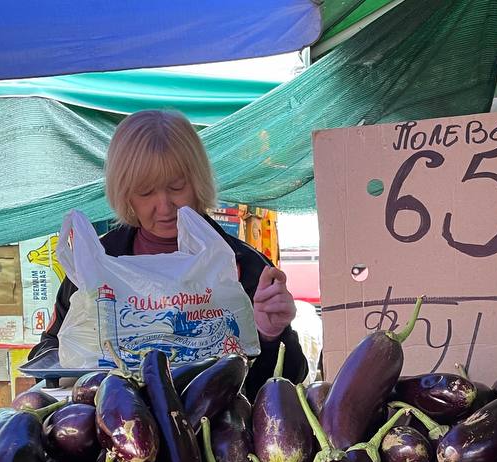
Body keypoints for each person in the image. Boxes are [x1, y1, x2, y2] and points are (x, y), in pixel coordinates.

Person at [31, 110, 308, 397]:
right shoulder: (97, 265)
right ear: (124, 193)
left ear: (199, 182)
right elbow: (48, 350)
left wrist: (272, 335)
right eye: (146, 192)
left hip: (219, 434)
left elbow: (290, 383)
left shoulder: (244, 268)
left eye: (177, 187)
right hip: (115, 428)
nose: (164, 207)